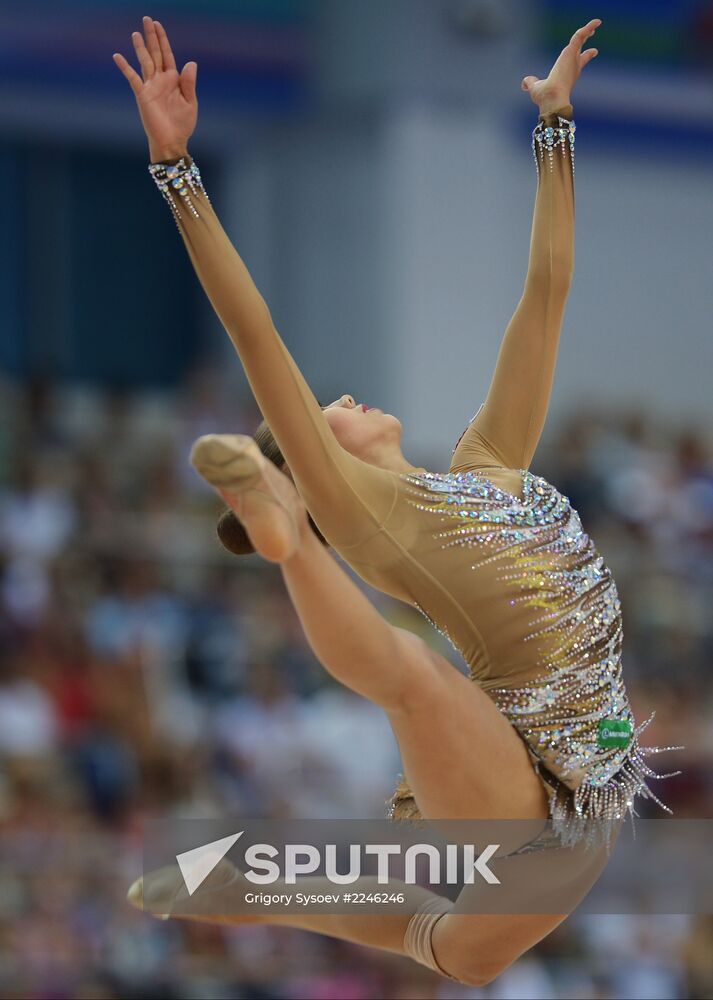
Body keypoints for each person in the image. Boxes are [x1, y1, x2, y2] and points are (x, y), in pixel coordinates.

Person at [114, 16, 679, 986]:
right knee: (415, 679)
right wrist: (178, 171)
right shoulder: (373, 517)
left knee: (445, 944)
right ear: (305, 464)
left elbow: (544, 291)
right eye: (317, 417)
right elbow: (257, 335)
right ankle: (282, 539)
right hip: (521, 812)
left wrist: (554, 131)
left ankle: (251, 881)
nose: (342, 399)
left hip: (576, 802)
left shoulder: (488, 460)